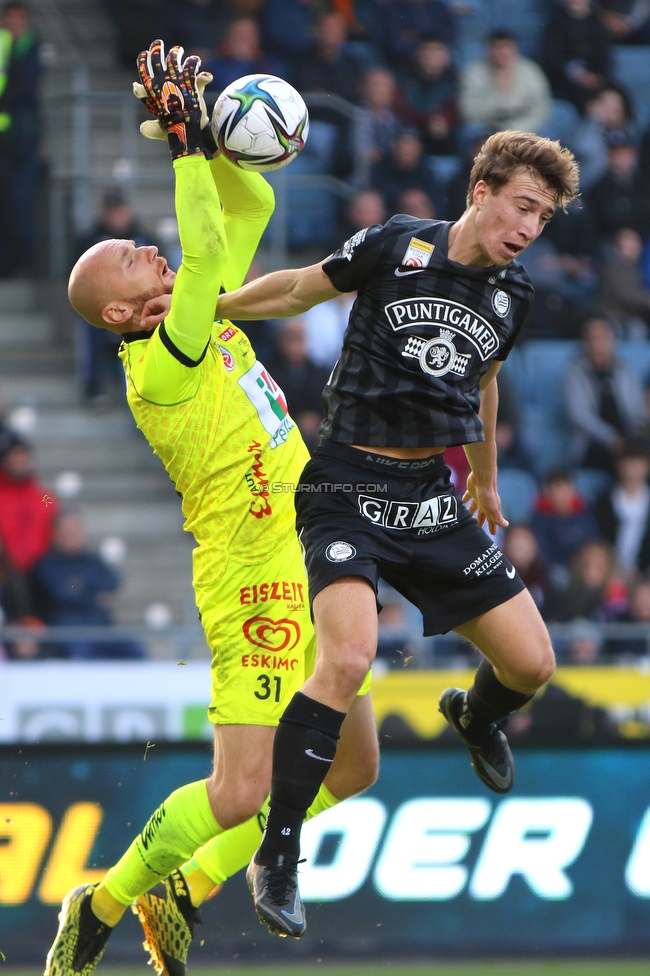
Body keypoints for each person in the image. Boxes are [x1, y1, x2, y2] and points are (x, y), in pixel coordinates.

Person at [45, 41, 378, 973]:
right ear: (122, 314)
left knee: (352, 767)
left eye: (135, 244)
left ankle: (182, 890)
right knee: (241, 792)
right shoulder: (161, 363)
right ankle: (104, 899)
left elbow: (254, 205)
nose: (143, 247)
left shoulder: (200, 314)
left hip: (312, 550)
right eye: (125, 257)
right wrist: (190, 149)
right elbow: (197, 252)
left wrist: (226, 149)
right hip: (253, 576)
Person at [213, 130, 579, 936]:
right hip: (346, 484)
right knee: (347, 657)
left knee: (533, 663)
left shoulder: (513, 294)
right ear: (481, 189)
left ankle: (475, 716)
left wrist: (482, 477)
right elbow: (301, 289)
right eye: (522, 205)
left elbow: (483, 383)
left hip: (430, 495)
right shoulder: (396, 244)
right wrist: (216, 308)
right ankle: (278, 850)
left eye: (545, 217)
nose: (529, 227)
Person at [74, 189, 158, 402]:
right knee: (91, 326)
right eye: (131, 260)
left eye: (121, 211)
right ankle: (94, 389)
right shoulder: (92, 240)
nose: (152, 253)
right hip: (115, 309)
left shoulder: (143, 236)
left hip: (146, 309)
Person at [31, 511, 144, 659]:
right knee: (81, 653)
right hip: (66, 631)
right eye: (66, 529)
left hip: (100, 627)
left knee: (133, 648)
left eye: (75, 528)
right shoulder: (46, 565)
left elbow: (112, 581)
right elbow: (62, 593)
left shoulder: (92, 561)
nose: (71, 533)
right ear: (55, 533)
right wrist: (93, 594)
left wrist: (80, 586)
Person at [564, 316, 645, 472]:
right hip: (593, 442)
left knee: (638, 453)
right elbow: (579, 415)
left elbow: (636, 409)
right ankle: (611, 496)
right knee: (625, 460)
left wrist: (637, 431)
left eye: (604, 336)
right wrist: (610, 437)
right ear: (585, 341)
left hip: (628, 436)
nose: (599, 342)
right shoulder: (575, 373)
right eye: (594, 337)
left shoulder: (625, 370)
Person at [0, 1, 42, 277]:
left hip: (22, 141)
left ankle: (19, 262)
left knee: (19, 202)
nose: (16, 25)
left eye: (21, 19)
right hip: (7, 139)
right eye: (11, 19)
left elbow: (26, 87)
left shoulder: (33, 47)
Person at [459, 30, 551, 136]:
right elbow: (469, 111)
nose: (501, 52)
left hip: (524, 126)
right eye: (496, 47)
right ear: (488, 50)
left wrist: (514, 128)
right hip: (487, 127)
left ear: (515, 49)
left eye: (506, 47)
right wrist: (496, 90)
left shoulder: (530, 70)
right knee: (470, 131)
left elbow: (540, 109)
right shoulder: (474, 71)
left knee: (547, 133)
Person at [267, 318, 331, 450]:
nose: (295, 344)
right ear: (281, 340)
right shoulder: (267, 372)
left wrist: (317, 420)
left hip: (315, 439)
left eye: (300, 337)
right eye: (291, 337)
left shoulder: (321, 374)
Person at [0, 440, 58, 573]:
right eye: (15, 457)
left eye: (24, 457)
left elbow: (55, 521)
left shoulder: (44, 497)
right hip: (5, 573)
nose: (20, 462)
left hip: (41, 573)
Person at [542, 0, 611, 112]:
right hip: (565, 80)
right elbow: (553, 57)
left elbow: (604, 55)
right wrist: (580, 75)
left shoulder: (597, 22)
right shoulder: (556, 22)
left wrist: (598, 76)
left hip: (595, 77)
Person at [396, 36, 458, 156]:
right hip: (413, 131)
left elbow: (456, 112)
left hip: (445, 135)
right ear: (418, 55)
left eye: (437, 50)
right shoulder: (405, 78)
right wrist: (428, 121)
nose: (432, 56)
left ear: (446, 56)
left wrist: (444, 120)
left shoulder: (454, 80)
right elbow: (401, 110)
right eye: (428, 50)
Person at [595, 440, 650, 574]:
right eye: (627, 463)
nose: (631, 469)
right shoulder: (604, 501)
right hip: (610, 569)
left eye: (637, 463)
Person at [531, 470, 598, 570]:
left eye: (564, 490)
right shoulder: (540, 521)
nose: (561, 496)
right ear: (547, 495)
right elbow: (544, 554)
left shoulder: (586, 514)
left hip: (584, 566)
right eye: (556, 491)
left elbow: (594, 543)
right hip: (556, 569)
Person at [589, 135, 650, 243]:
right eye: (615, 154)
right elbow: (599, 223)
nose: (619, 159)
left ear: (633, 155)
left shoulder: (644, 184)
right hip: (612, 243)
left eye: (624, 154)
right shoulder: (599, 189)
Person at [371, 128, 439, 214]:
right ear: (395, 148)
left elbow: (436, 202)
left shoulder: (427, 172)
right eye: (404, 146)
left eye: (412, 147)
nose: (408, 151)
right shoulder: (381, 170)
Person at [599, 227, 650, 337]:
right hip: (615, 316)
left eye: (636, 242)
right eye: (629, 242)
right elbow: (626, 295)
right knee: (637, 329)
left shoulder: (634, 267)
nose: (634, 247)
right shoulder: (614, 266)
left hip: (630, 315)